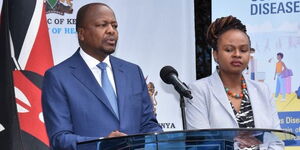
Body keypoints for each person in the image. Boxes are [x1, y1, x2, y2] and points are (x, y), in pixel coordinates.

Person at [42, 3, 162, 150]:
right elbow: (60, 138)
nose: (111, 31)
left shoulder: (133, 72)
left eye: (115, 26)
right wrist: (102, 144)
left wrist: (156, 139)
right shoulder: (58, 77)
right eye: (102, 25)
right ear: (82, 33)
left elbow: (148, 124)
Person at [185, 16, 282, 149]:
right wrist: (240, 145)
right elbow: (201, 144)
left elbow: (277, 142)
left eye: (243, 50)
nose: (237, 54)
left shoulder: (262, 90)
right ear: (215, 54)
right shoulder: (198, 91)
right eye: (229, 49)